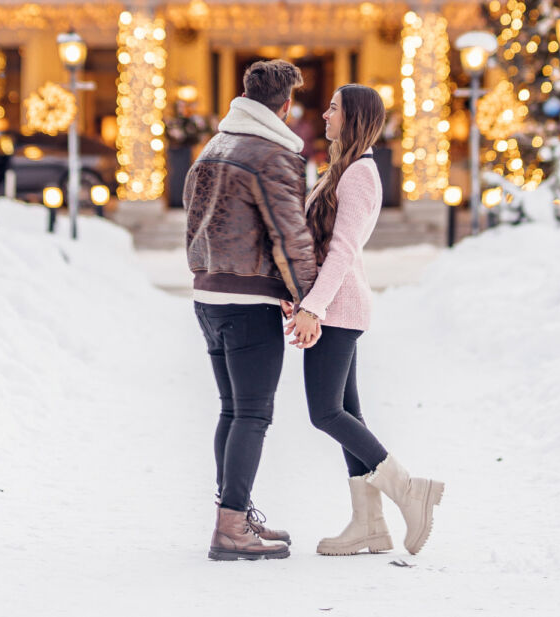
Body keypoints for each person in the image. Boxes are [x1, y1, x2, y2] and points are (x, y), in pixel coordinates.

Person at [286, 84, 445, 557]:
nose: (326, 114)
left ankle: (409, 491)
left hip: (338, 308)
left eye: (333, 107)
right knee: (348, 414)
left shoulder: (360, 175)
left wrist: (315, 307)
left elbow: (343, 250)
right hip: (328, 305)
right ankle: (369, 524)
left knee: (325, 412)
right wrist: (300, 297)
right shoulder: (343, 169)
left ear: (352, 116)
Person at [183, 59, 320, 561]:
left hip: (210, 295)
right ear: (285, 106)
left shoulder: (213, 148)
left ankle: (234, 516)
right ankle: (231, 528)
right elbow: (291, 235)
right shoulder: (273, 155)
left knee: (233, 410)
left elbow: (194, 220)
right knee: (253, 414)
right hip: (247, 299)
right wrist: (309, 299)